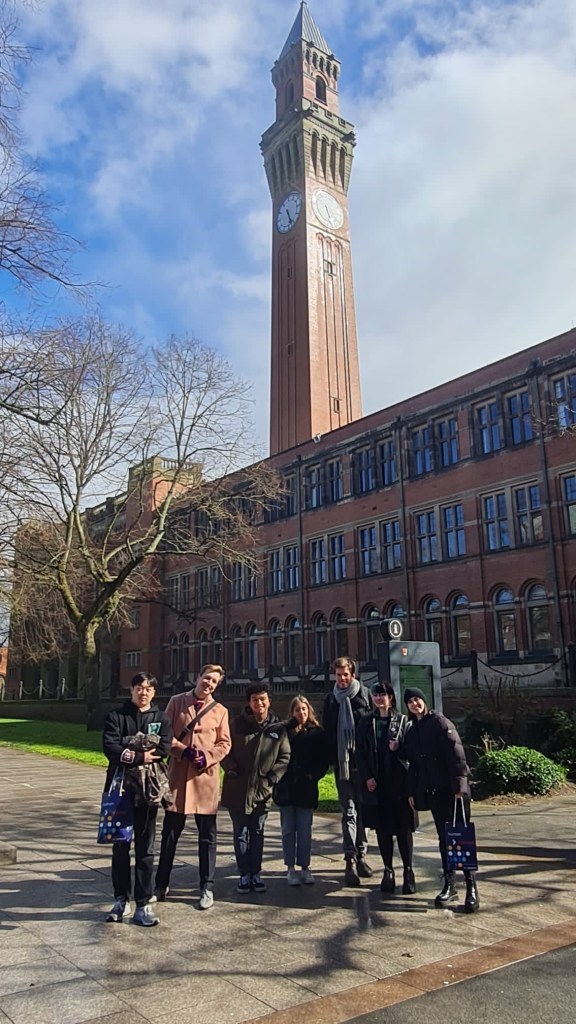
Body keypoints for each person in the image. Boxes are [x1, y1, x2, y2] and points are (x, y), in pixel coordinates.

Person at [154, 664, 231, 911]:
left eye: (214, 682)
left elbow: (224, 743)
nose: (209, 684)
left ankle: (206, 886)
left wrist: (207, 757)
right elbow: (165, 735)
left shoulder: (220, 710)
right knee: (170, 833)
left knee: (207, 836)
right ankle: (161, 883)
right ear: (198, 677)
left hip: (205, 779)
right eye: (207, 678)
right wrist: (183, 750)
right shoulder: (177, 702)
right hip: (178, 775)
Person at [102, 672, 172, 926]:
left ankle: (143, 903)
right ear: (131, 690)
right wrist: (140, 755)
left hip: (149, 790)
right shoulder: (116, 716)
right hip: (120, 789)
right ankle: (121, 899)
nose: (143, 692)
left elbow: (163, 747)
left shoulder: (161, 717)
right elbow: (110, 746)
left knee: (145, 847)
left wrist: (128, 746)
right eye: (139, 688)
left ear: (153, 692)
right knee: (120, 845)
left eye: (148, 688)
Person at [401, 687, 479, 913]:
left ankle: (471, 886)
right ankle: (449, 883)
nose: (415, 704)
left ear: (424, 701)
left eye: (417, 699)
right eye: (410, 702)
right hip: (435, 792)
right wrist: (412, 792)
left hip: (453, 792)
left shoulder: (440, 722)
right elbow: (414, 763)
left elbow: (457, 755)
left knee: (461, 839)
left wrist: (459, 787)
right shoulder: (413, 729)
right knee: (445, 839)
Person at [221, 681, 290, 893]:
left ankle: (256, 872)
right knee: (240, 832)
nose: (259, 703)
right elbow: (224, 749)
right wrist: (231, 768)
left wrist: (271, 778)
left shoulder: (277, 728)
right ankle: (244, 873)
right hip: (237, 788)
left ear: (269, 701)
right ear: (248, 702)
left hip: (262, 790)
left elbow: (285, 756)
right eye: (254, 700)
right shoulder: (236, 724)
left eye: (262, 699)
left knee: (257, 832)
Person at [355, 682, 416, 894]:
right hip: (377, 784)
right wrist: (367, 777)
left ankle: (408, 871)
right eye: (376, 695)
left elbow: (412, 751)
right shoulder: (365, 722)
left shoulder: (402, 721)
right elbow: (360, 753)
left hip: (399, 783)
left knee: (403, 829)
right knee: (382, 829)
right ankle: (388, 870)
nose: (379, 699)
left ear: (391, 697)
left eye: (383, 695)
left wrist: (399, 749)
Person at [322, 656, 373, 886]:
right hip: (342, 765)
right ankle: (350, 859)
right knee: (349, 812)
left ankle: (362, 855)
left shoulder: (364, 695)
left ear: (353, 675)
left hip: (362, 765)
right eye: (338, 675)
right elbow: (327, 733)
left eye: (345, 675)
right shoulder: (331, 700)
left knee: (363, 811)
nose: (342, 679)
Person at [275, 695, 329, 886]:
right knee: (288, 830)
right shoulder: (284, 731)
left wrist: (312, 776)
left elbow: (323, 760)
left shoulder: (317, 733)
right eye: (297, 710)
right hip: (286, 788)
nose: (301, 713)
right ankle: (290, 868)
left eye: (304, 709)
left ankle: (305, 866)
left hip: (306, 788)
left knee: (305, 830)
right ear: (292, 712)